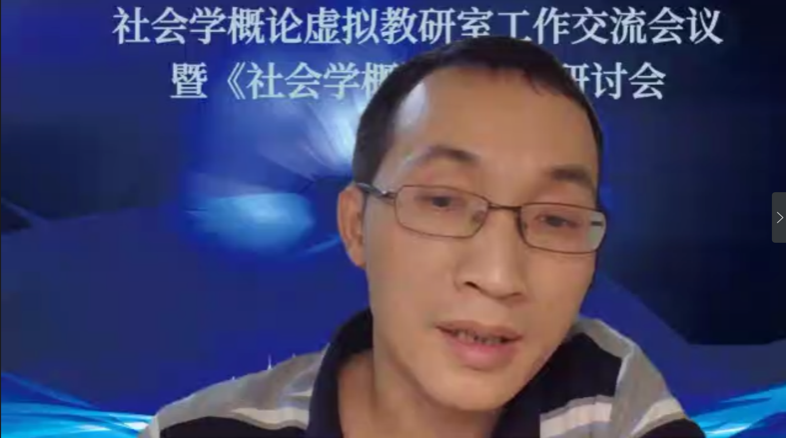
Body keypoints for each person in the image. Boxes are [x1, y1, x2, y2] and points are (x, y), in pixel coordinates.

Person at [139, 36, 705, 438]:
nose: (499, 276)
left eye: (556, 219)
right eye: (442, 202)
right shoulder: (200, 431)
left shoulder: (605, 398)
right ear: (355, 226)